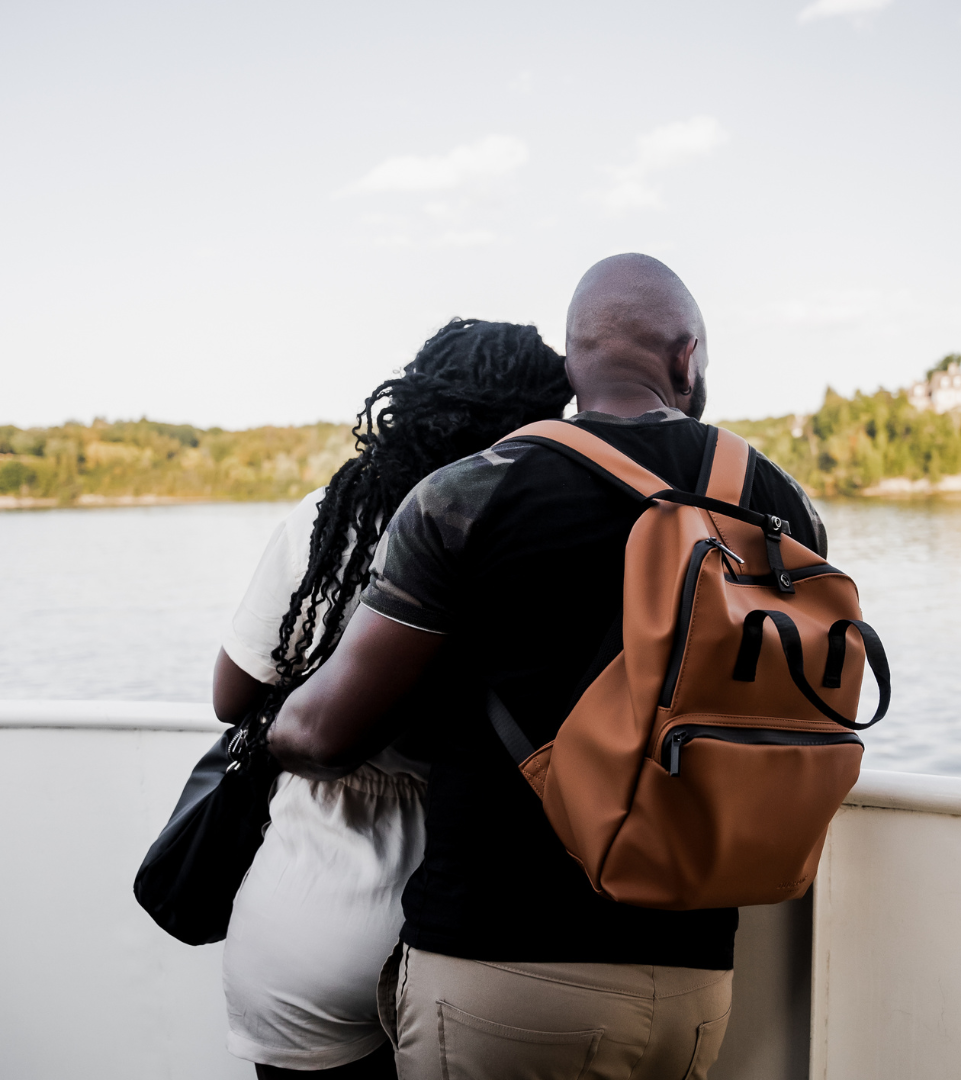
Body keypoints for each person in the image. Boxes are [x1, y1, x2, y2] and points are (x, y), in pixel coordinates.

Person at [267, 254, 829, 1079]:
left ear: (571, 366)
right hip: (696, 974)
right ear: (688, 356)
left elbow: (324, 734)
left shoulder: (466, 494)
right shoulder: (782, 502)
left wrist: (268, 732)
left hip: (499, 966)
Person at [211, 318, 573, 1078]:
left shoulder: (324, 518)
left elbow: (231, 694)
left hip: (305, 919)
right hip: (470, 924)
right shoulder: (538, 537)